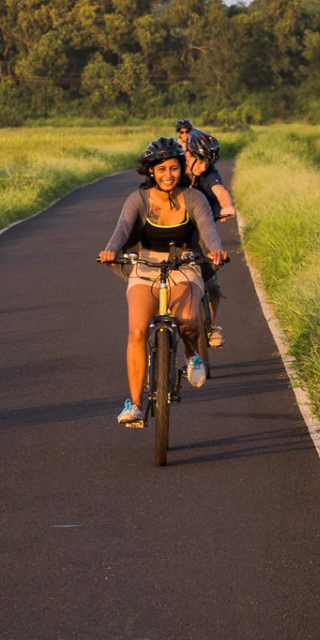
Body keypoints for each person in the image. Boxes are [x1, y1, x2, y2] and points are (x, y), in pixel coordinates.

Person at [98, 136, 228, 427]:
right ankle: (134, 403)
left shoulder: (194, 198)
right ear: (151, 172)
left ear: (181, 168)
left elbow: (208, 231)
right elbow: (122, 229)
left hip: (184, 264)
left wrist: (216, 249)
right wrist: (110, 250)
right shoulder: (139, 199)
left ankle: (192, 354)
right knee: (137, 330)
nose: (168, 175)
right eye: (161, 169)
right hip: (146, 267)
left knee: (189, 318)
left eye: (173, 168)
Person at [184, 130, 234, 350]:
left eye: (208, 163)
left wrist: (227, 206)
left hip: (203, 230)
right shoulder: (174, 171)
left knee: (211, 280)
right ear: (188, 153)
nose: (204, 167)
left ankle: (211, 325)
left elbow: (219, 190)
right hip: (176, 229)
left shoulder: (209, 173)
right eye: (200, 162)